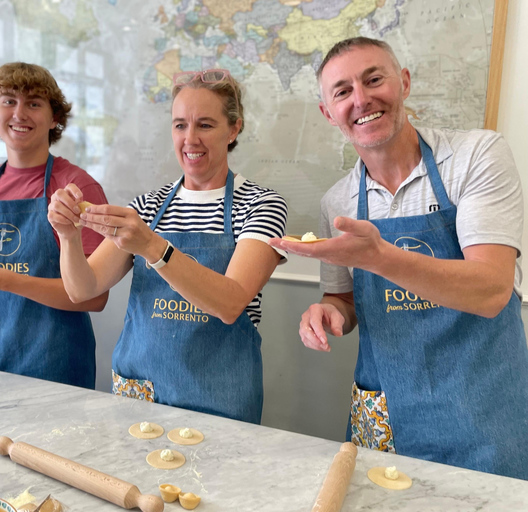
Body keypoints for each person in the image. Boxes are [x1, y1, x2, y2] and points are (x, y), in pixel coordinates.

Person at [269, 37, 528, 479]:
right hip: (384, 409)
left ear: (403, 82)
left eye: (373, 80)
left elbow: (491, 289)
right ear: (328, 113)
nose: (361, 99)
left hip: (483, 410)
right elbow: (344, 301)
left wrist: (381, 257)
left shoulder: (475, 157)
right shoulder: (338, 202)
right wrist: (325, 312)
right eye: (342, 92)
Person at [48, 69, 288, 423]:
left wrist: (153, 247)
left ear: (234, 129)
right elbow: (83, 289)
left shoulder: (260, 204)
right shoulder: (147, 206)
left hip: (221, 399)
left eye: (205, 125)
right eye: (180, 125)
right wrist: (67, 236)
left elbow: (230, 302)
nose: (190, 139)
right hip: (139, 397)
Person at [0, 63, 108, 389]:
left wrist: (3, 279)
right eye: (8, 101)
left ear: (55, 118)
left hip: (53, 359)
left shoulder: (77, 187)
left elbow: (94, 298)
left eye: (34, 103)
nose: (19, 113)